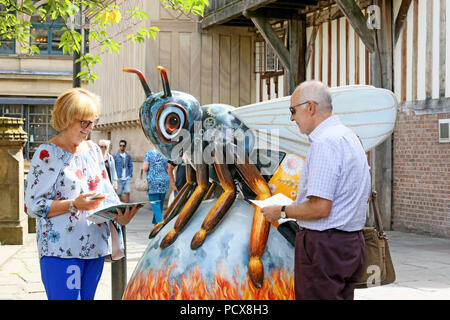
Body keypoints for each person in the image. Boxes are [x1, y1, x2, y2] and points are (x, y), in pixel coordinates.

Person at [24, 88, 142, 300]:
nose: (89, 127)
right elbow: (33, 205)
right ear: (67, 119)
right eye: (84, 122)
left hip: (94, 247)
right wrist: (73, 204)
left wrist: (120, 214)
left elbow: (106, 192)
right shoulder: (46, 153)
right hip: (60, 250)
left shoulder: (94, 151)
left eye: (92, 121)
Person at [261, 81, 371, 300]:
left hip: (324, 247)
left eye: (293, 110)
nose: (292, 118)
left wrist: (281, 211)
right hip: (348, 244)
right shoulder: (348, 136)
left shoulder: (325, 143)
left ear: (310, 107)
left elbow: (320, 208)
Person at [142, 148, 170, 225]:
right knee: (159, 205)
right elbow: (168, 166)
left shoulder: (149, 153)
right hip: (164, 180)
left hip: (153, 182)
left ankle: (160, 224)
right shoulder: (165, 153)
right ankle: (155, 223)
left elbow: (145, 168)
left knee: (155, 204)